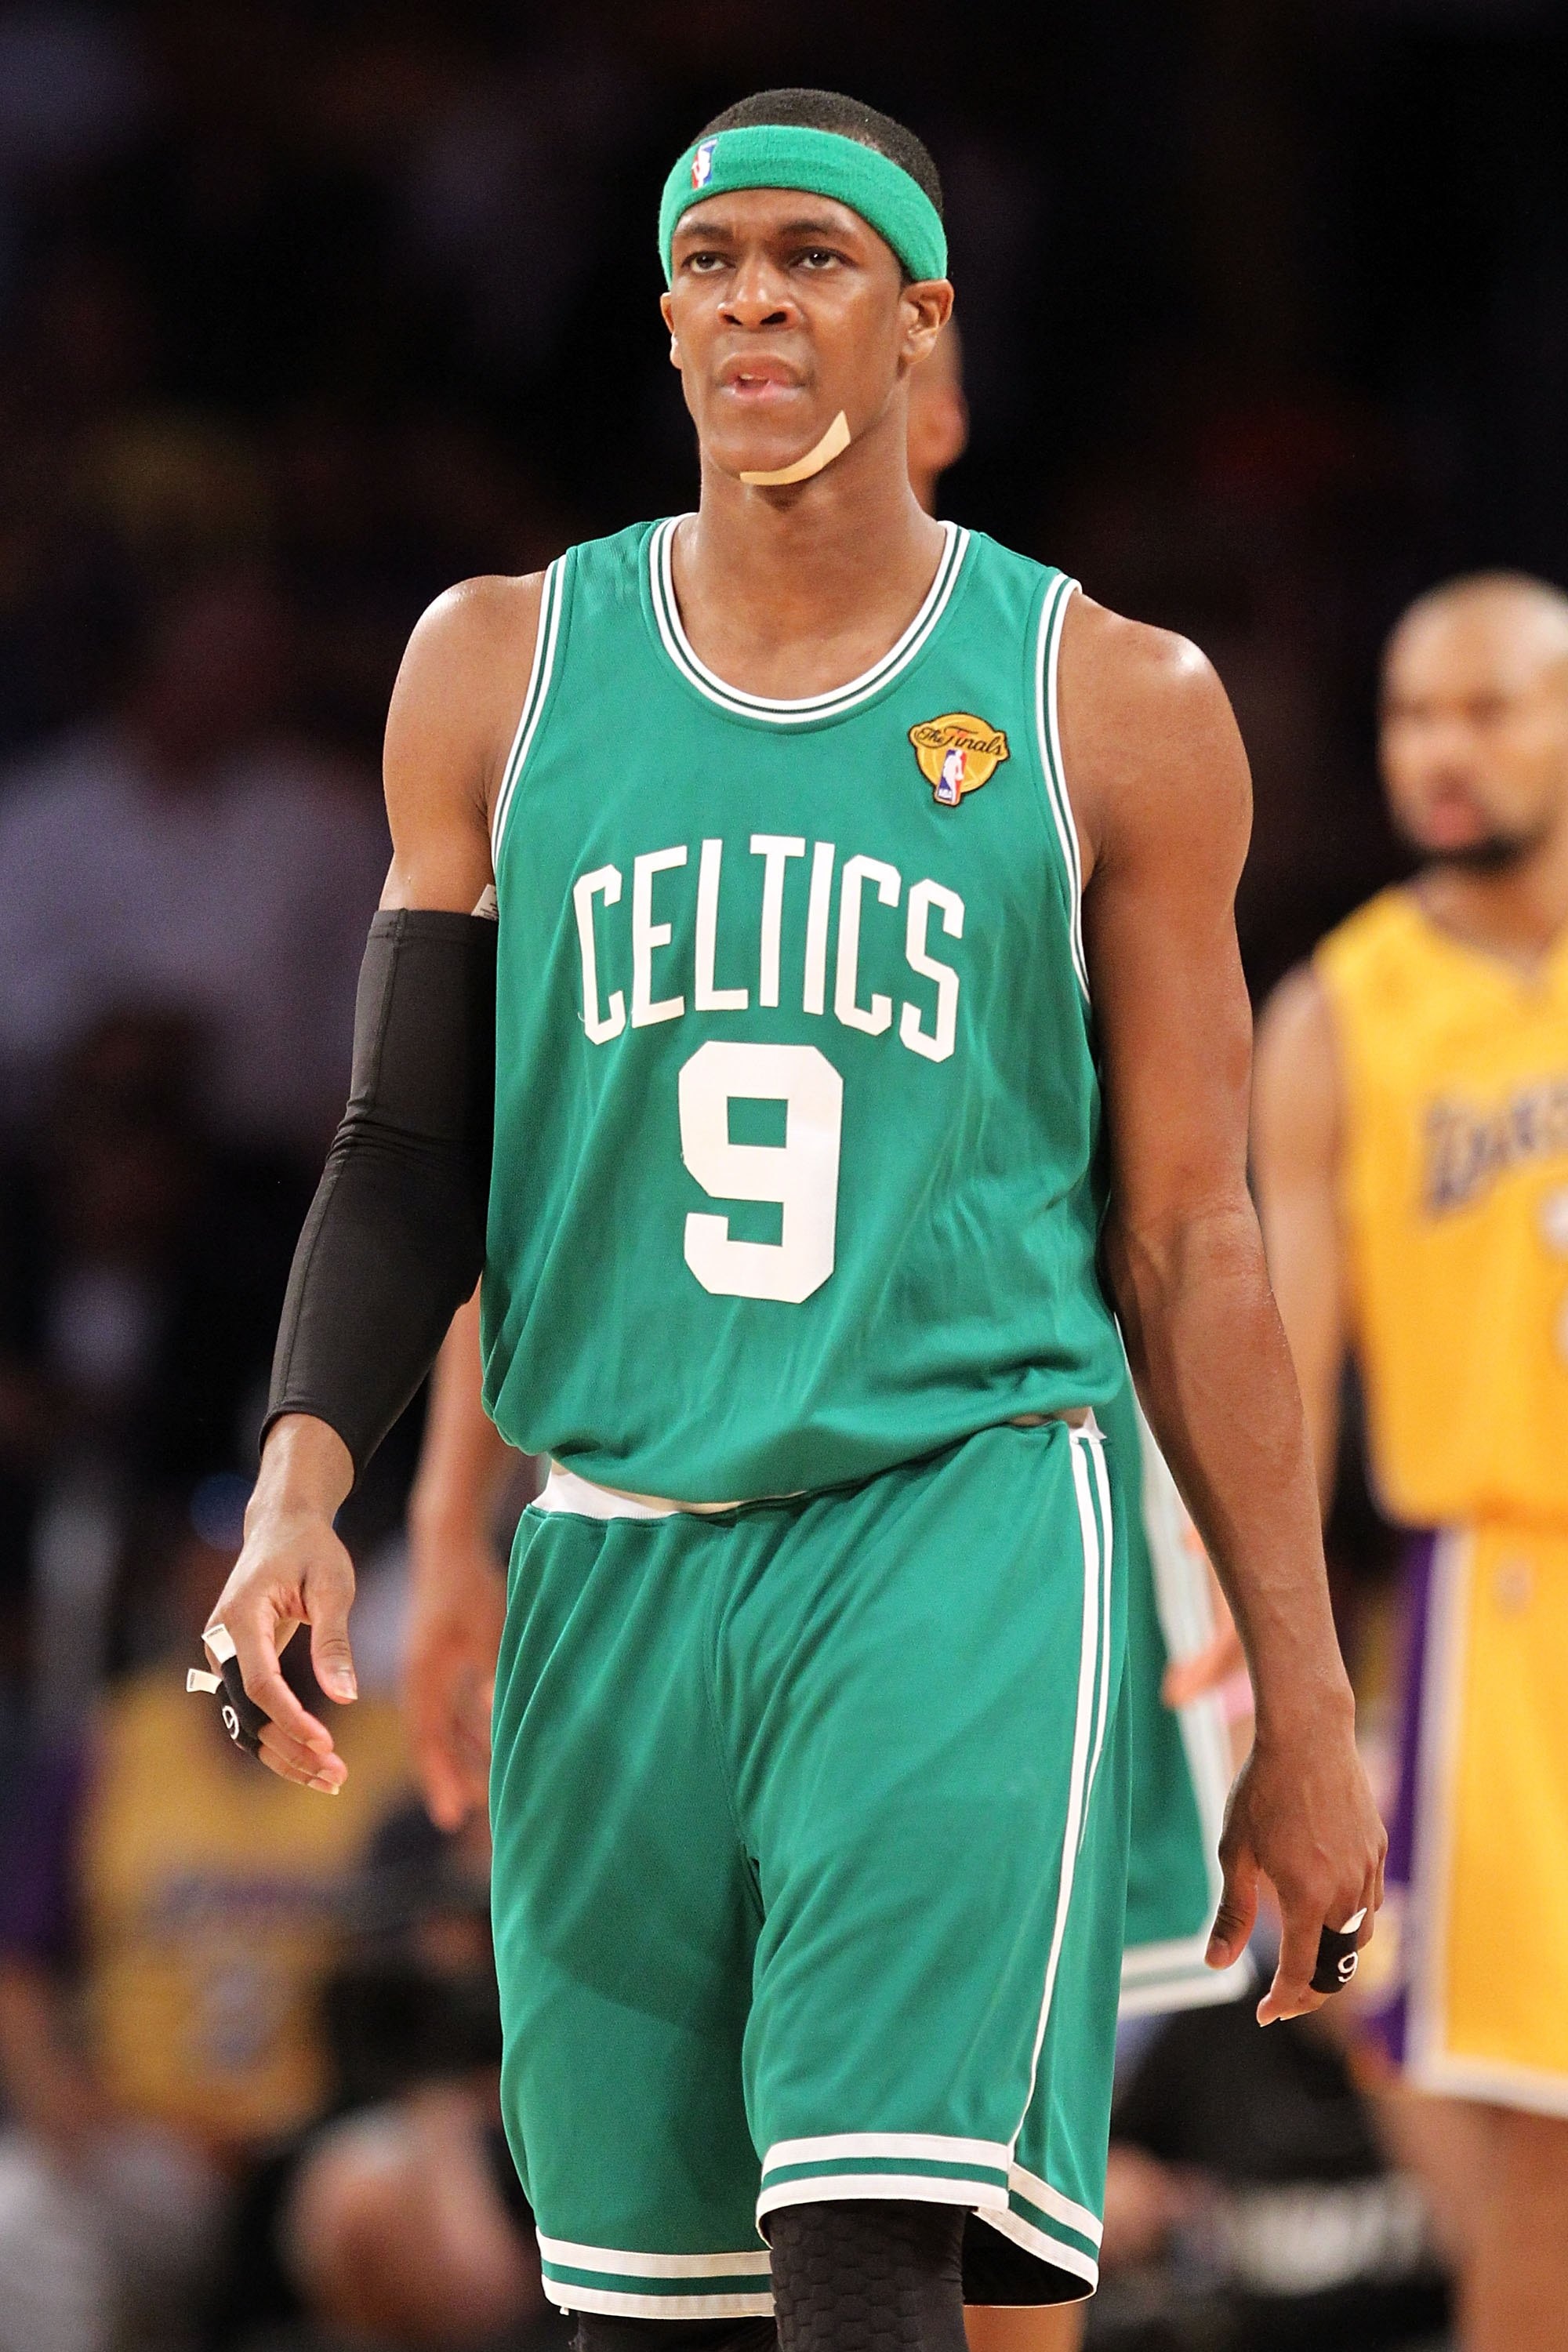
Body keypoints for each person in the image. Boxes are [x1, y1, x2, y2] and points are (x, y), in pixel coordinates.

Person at [205, 86, 1382, 2352]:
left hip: (954, 1521)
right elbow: (410, 1150)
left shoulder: (1110, 703)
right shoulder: (500, 665)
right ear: (664, 317)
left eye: (816, 259)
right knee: (658, 2309)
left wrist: (1301, 1716)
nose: (759, 298)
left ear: (921, 319)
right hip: (620, 1541)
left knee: (869, 2247)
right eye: (717, 259)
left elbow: (1192, 1239)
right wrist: (308, 1497)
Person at [1250, 572, 1568, 2352]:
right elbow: (1281, 1387)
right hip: (1504, 1609)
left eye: (1488, 710)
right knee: (1538, 2154)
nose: (1440, 752)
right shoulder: (1341, 1016)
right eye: (1408, 715)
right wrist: (1267, 1673)